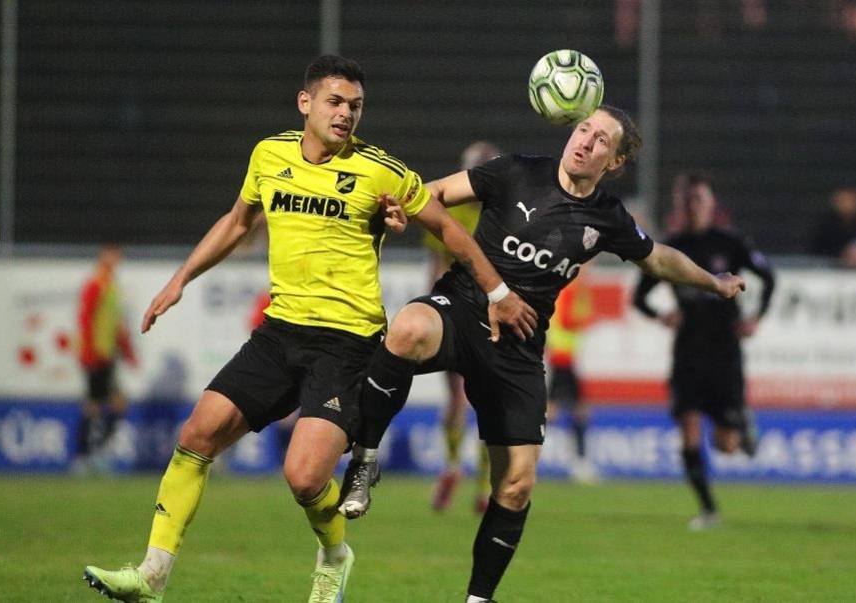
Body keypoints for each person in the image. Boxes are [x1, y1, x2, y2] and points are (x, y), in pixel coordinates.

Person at [82, 54, 535, 603]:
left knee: (303, 477)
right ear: (305, 102)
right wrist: (181, 278)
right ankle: (151, 576)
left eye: (356, 106)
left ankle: (335, 555)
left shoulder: (380, 170)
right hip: (279, 333)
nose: (346, 114)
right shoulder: (268, 155)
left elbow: (448, 229)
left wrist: (498, 293)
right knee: (196, 435)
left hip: (348, 344)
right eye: (335, 102)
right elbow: (237, 222)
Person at [337, 105, 746, 603]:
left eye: (601, 140)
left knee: (516, 484)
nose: (585, 142)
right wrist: (402, 210)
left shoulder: (607, 217)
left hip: (519, 343)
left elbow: (658, 257)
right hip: (461, 307)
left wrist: (711, 282)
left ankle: (478, 600)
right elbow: (436, 192)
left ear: (614, 162)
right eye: (583, 130)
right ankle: (365, 460)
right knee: (406, 328)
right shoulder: (516, 170)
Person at [632, 172, 775, 531]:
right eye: (687, 200)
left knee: (726, 445)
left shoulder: (731, 242)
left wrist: (755, 317)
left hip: (725, 352)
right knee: (689, 426)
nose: (692, 206)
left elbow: (769, 277)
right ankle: (709, 509)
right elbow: (639, 296)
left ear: (712, 204)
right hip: (688, 353)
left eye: (698, 199)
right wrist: (661, 315)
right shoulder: (670, 248)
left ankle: (741, 423)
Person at [425, 141, 501, 514]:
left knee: (467, 399)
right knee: (475, 398)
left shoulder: (497, 212)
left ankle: (465, 474)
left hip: (487, 314)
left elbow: (436, 269)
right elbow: (437, 267)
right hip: (463, 313)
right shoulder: (456, 211)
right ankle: (472, 479)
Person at [72, 244, 137, 475]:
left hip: (107, 355)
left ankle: (94, 454)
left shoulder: (110, 286)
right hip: (95, 355)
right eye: (113, 253)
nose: (117, 258)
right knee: (94, 406)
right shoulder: (95, 285)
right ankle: (84, 457)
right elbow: (86, 319)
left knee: (111, 404)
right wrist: (89, 352)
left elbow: (116, 324)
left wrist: (128, 352)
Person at [545, 269, 596, 483]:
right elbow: (567, 320)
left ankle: (578, 459)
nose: (587, 274)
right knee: (568, 411)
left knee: (573, 410)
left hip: (567, 357)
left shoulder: (576, 291)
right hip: (561, 357)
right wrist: (586, 320)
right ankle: (579, 460)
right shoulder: (567, 291)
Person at [808, 186, 856, 269]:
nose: (848, 205)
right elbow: (815, 251)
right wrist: (841, 254)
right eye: (844, 200)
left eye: (852, 200)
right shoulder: (825, 227)